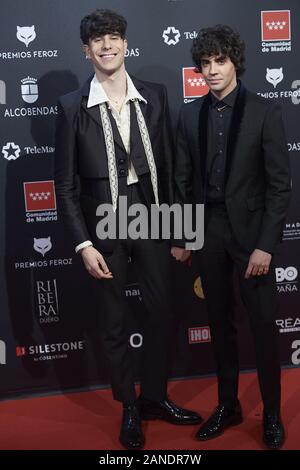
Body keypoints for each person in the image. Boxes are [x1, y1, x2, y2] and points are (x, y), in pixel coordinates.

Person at [54, 9, 201, 450]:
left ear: (125, 44)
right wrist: (82, 244)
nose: (106, 46)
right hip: (104, 220)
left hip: (154, 214)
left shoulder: (154, 95)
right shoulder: (71, 107)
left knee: (161, 311)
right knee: (115, 320)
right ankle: (130, 408)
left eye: (113, 37)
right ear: (86, 50)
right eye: (98, 40)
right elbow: (65, 185)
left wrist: (183, 231)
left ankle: (154, 396)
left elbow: (174, 166)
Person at [172, 25, 291, 449]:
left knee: (262, 327)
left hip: (252, 237)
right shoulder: (189, 114)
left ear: (234, 61)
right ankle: (228, 405)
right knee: (219, 325)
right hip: (208, 233)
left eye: (219, 61)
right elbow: (182, 182)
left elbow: (280, 185)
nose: (212, 71)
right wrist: (183, 235)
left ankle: (272, 414)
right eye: (204, 64)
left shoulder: (264, 111)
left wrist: (266, 244)